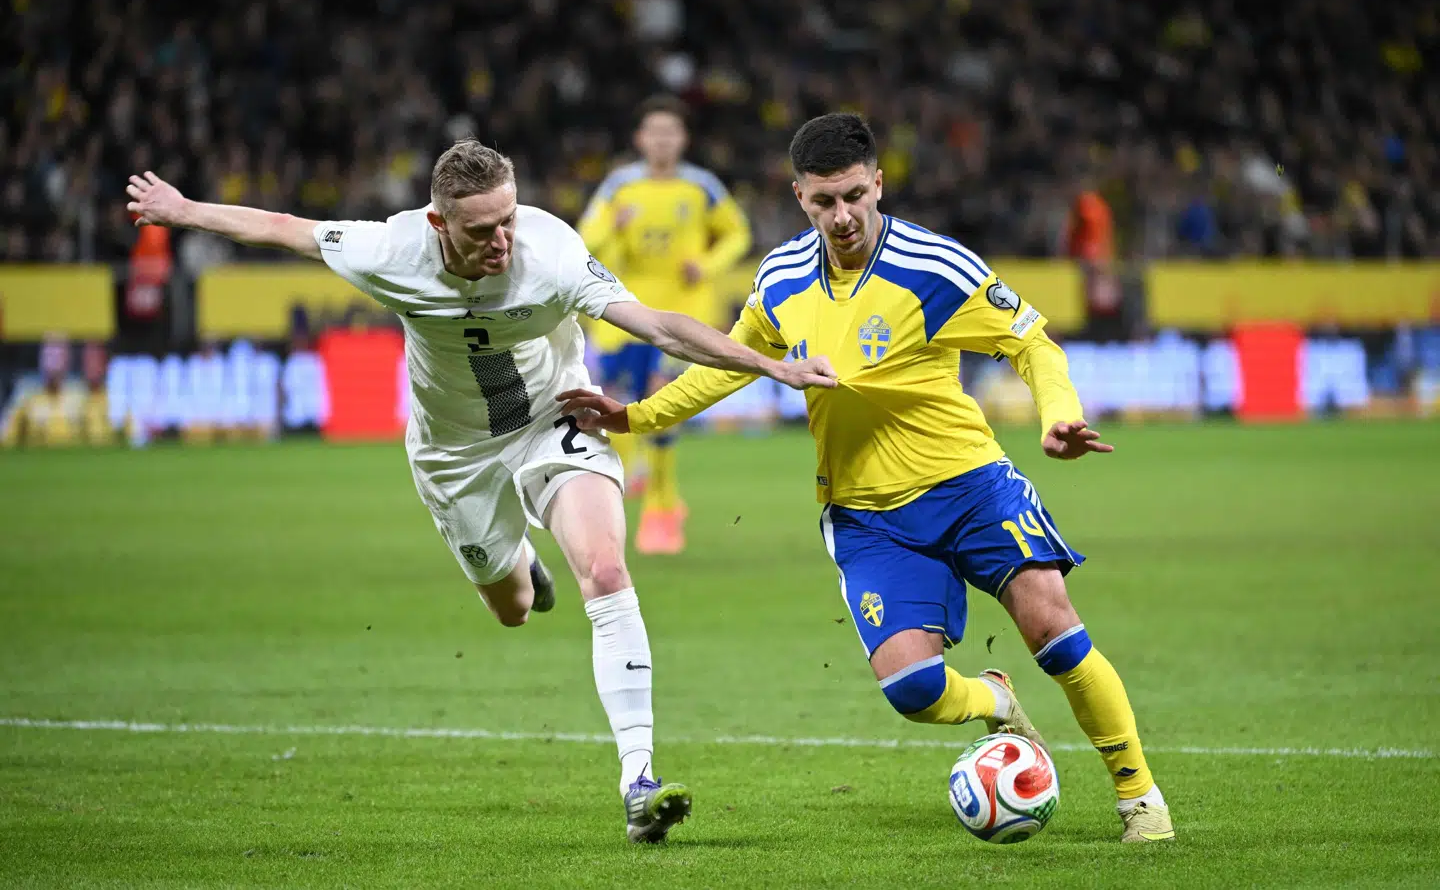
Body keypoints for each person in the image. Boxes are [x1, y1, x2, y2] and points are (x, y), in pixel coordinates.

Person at [125, 140, 836, 843]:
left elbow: (657, 326)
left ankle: (638, 779)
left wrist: (769, 366)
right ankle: (521, 562)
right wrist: (182, 210)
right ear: (440, 224)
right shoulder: (392, 250)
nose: (502, 239)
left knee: (607, 569)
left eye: (509, 218)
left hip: (555, 416)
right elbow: (286, 228)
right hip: (454, 455)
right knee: (514, 608)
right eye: (481, 229)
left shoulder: (550, 251)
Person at [559, 114, 1175, 843]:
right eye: (824, 202)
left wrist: (1059, 414)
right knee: (912, 690)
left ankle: (1138, 795)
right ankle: (993, 697)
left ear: (878, 182)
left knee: (1054, 630)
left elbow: (1031, 342)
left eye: (854, 194)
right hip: (864, 513)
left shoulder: (935, 266)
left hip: (969, 484)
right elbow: (727, 361)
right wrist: (636, 418)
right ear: (798, 198)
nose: (842, 215)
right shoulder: (782, 278)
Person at [578, 96, 752, 554]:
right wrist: (612, 224)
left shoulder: (702, 186)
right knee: (616, 401)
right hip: (624, 311)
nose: (661, 140)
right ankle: (645, 488)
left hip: (681, 311)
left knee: (660, 398)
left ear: (682, 139)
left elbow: (738, 234)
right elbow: (585, 239)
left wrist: (707, 263)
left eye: (669, 132)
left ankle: (660, 508)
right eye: (653, 132)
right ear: (639, 139)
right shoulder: (619, 187)